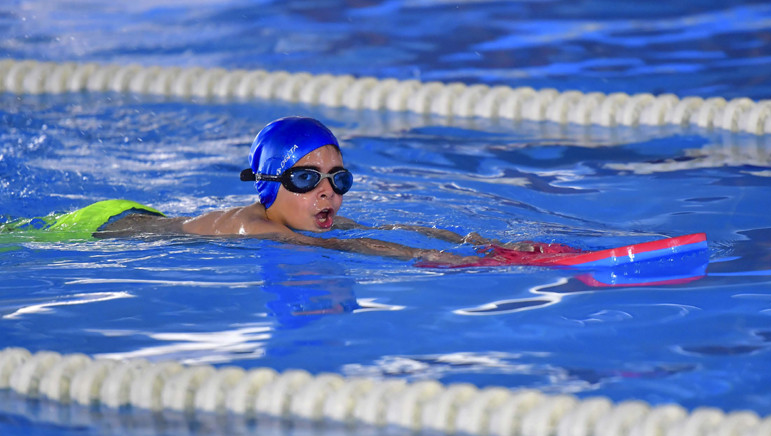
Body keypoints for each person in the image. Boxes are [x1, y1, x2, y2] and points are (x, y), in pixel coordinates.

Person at [91, 116, 543, 265]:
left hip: (144, 212)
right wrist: (443, 262)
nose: (327, 193)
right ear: (268, 186)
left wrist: (482, 245)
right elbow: (351, 246)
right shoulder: (257, 228)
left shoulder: (296, 213)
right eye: (306, 179)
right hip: (104, 226)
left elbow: (387, 226)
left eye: (337, 178)